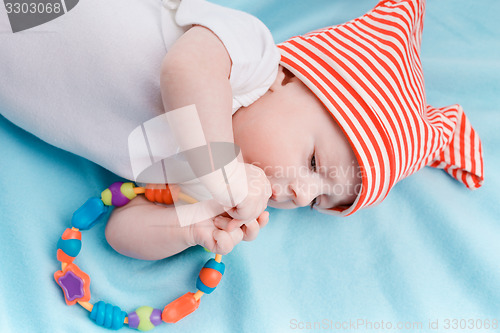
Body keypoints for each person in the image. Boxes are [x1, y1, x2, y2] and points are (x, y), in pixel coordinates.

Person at [0, 0, 484, 261]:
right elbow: (185, 68)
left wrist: (195, 226)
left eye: (318, 199)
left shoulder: (199, 181)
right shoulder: (251, 61)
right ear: (291, 80)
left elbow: (121, 233)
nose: (298, 192)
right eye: (315, 164)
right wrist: (219, 167)